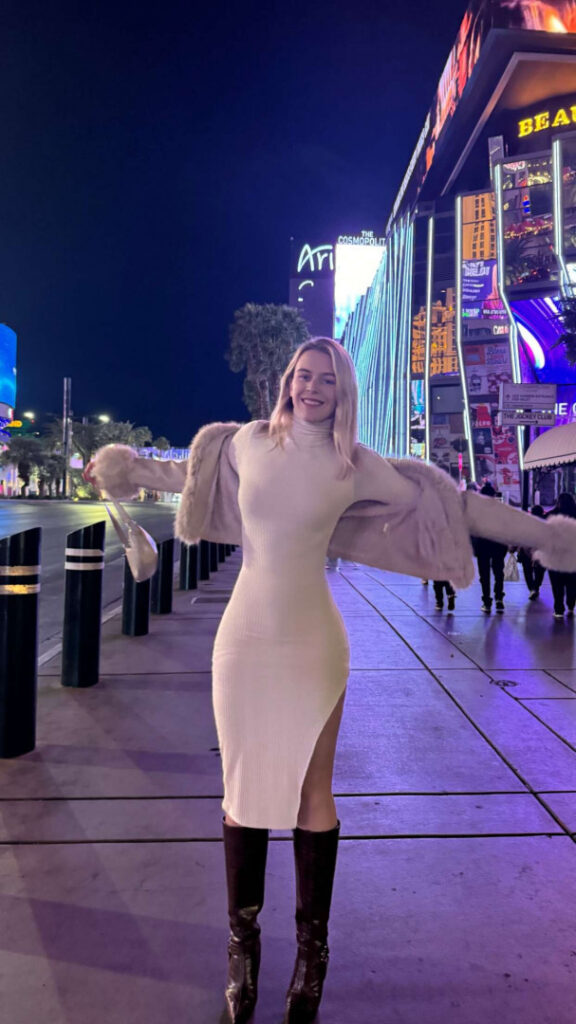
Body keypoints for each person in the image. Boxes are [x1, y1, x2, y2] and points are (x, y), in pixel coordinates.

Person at [85, 338, 576, 1024]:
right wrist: (121, 469)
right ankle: (242, 951)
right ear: (288, 381)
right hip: (243, 641)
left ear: (343, 391)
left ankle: (311, 955)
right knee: (241, 792)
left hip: (313, 642)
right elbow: (180, 474)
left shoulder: (356, 464)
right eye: (302, 376)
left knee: (314, 792)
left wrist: (546, 536)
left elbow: (452, 505)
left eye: (326, 380)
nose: (311, 388)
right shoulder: (247, 442)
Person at [470, 482, 508, 613]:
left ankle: (487, 602)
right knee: (498, 573)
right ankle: (499, 599)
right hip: (498, 546)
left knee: (484, 575)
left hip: (482, 547)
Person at [546, 492, 576, 618]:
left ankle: (558, 609)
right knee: (572, 581)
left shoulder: (551, 515)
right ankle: (571, 604)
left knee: (557, 583)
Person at [517, 504, 546, 600]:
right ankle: (536, 587)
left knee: (527, 571)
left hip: (526, 551)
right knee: (539, 571)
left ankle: (532, 589)